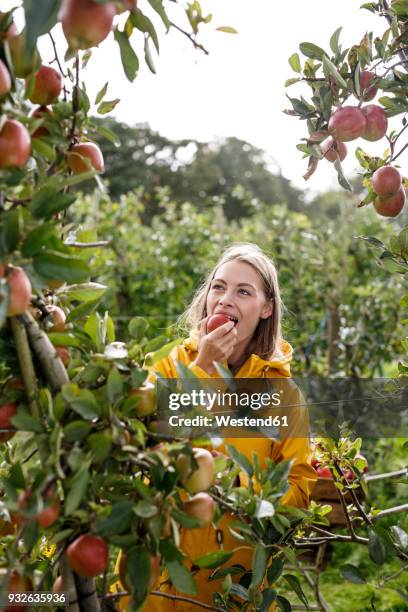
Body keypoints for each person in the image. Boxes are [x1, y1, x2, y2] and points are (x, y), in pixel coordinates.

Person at [114, 243, 317, 610]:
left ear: (266, 308)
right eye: (219, 287)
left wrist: (247, 499)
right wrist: (203, 371)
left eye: (243, 291)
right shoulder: (165, 365)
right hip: (160, 583)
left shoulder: (284, 393)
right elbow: (143, 439)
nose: (225, 299)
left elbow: (299, 484)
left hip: (235, 587)